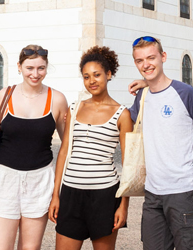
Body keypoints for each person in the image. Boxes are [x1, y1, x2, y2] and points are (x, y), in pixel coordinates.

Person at [0, 44, 68, 250]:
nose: (35, 73)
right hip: (5, 179)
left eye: (41, 68)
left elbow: (67, 144)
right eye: (29, 68)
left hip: (40, 180)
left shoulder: (57, 99)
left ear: (46, 68)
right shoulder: (5, 95)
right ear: (19, 67)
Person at [127, 36, 193, 250]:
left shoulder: (185, 92)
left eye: (151, 57)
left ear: (163, 57)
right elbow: (125, 125)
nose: (146, 64)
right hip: (152, 195)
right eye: (140, 60)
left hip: (184, 193)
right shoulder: (141, 95)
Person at [48, 46, 132, 250]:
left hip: (104, 195)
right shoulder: (75, 108)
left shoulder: (122, 114)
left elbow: (130, 164)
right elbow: (64, 151)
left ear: (108, 74)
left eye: (96, 75)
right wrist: (56, 195)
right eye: (86, 76)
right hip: (71, 193)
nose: (91, 81)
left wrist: (124, 206)